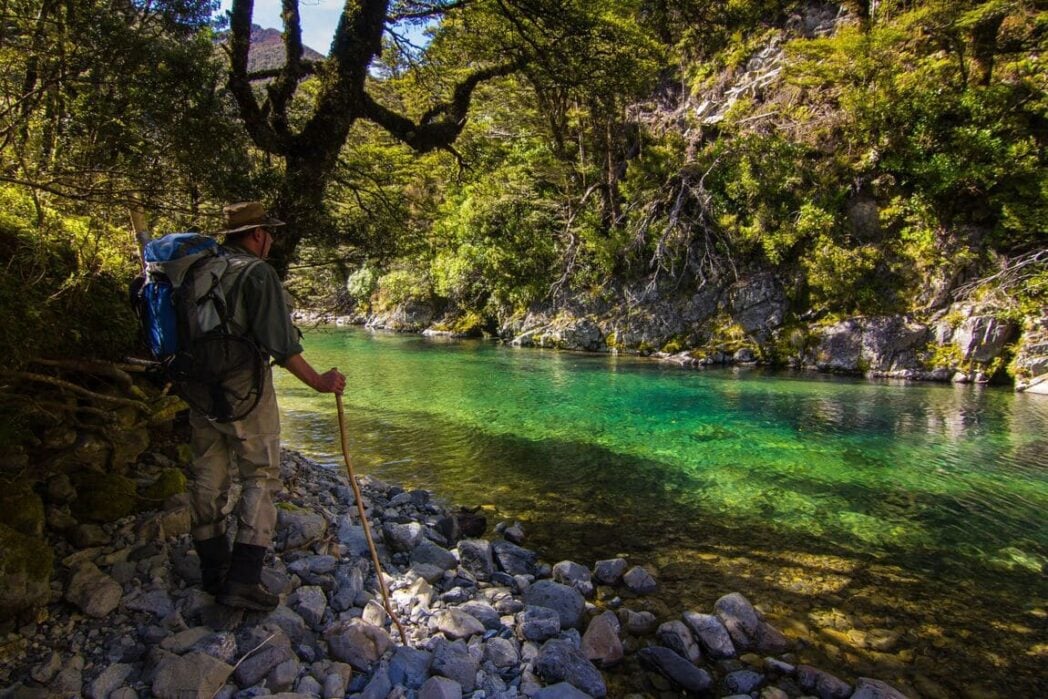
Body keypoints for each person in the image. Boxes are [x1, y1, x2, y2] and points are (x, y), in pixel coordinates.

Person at [190, 201, 346, 611]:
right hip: (245, 387)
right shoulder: (257, 274)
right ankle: (242, 579)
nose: (272, 240)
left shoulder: (198, 268)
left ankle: (212, 570)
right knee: (260, 473)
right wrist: (319, 382)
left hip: (197, 387)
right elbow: (281, 343)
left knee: (209, 470)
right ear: (257, 234)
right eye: (270, 233)